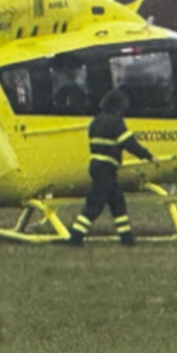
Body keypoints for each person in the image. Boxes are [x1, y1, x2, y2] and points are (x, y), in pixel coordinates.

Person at [66, 89, 156, 247]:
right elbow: (129, 143)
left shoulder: (97, 120)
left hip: (96, 166)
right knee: (95, 204)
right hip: (105, 169)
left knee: (117, 203)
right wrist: (148, 156)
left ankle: (127, 239)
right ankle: (76, 237)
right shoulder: (116, 122)